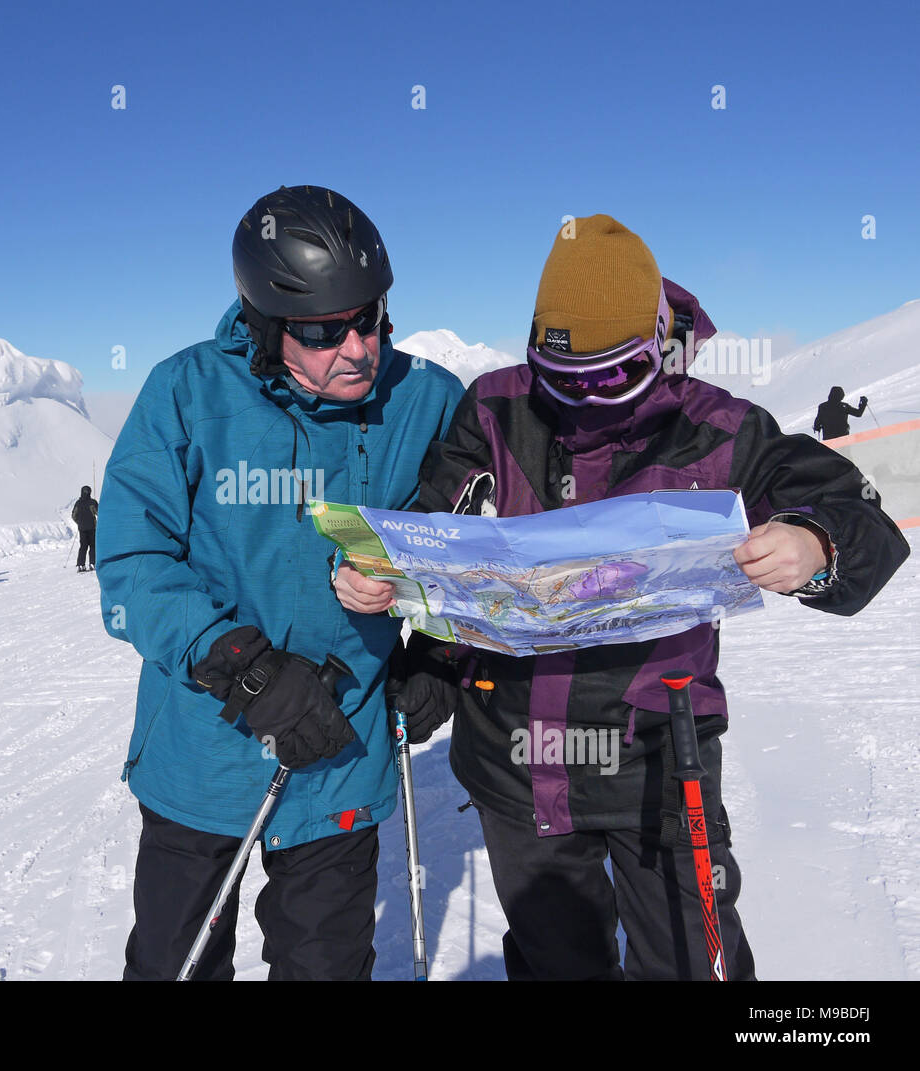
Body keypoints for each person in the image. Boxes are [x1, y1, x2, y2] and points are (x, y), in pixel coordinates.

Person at [337, 214, 910, 980]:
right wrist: (393, 579)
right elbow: (444, 536)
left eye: (612, 376)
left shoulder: (718, 429)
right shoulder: (498, 410)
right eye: (563, 376)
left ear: (654, 348)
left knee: (691, 962)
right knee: (557, 964)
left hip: (659, 760)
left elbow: (857, 511)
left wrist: (816, 543)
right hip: (516, 757)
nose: (584, 400)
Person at [96, 184, 464, 981]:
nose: (358, 348)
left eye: (368, 318)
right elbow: (132, 566)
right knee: (173, 966)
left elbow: (470, 543)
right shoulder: (185, 396)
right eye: (325, 332)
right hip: (206, 749)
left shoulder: (428, 402)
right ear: (267, 328)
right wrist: (246, 667)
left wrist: (436, 652)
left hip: (343, 743)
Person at [71, 486, 97, 572]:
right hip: (92, 527)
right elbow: (98, 512)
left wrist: (79, 522)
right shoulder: (93, 502)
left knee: (83, 546)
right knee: (93, 546)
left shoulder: (78, 503)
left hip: (82, 528)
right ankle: (92, 563)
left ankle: (81, 565)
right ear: (90, 492)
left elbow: (73, 516)